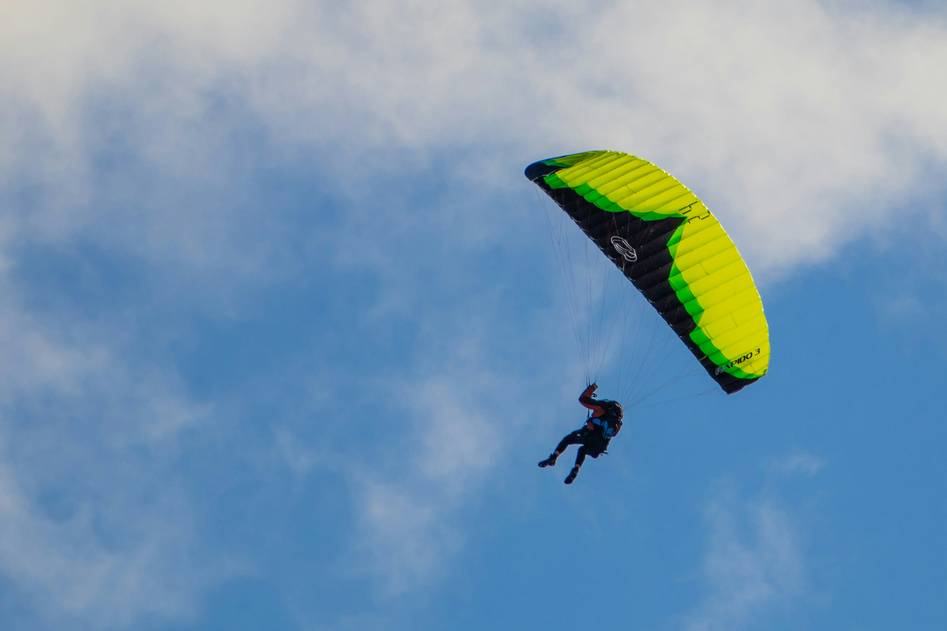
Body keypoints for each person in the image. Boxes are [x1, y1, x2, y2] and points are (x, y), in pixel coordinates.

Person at [538, 383, 623, 484]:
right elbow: (612, 433)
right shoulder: (616, 422)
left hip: (590, 435)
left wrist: (592, 387)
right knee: (582, 450)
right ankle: (576, 469)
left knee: (568, 439)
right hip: (599, 447)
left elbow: (583, 399)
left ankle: (553, 457)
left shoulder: (601, 409)